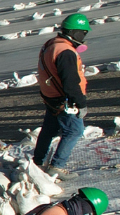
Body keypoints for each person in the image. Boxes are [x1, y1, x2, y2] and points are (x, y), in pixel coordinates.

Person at [32, 13, 92, 178]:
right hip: (64, 100)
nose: (84, 37)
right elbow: (70, 81)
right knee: (74, 131)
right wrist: (80, 103)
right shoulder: (66, 51)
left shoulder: (51, 44)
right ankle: (56, 166)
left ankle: (38, 163)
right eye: (83, 33)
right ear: (75, 32)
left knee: (49, 130)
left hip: (50, 97)